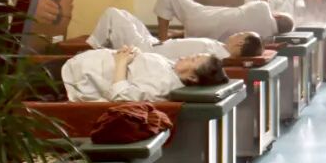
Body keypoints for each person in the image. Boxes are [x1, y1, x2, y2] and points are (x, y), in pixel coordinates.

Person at [61, 45, 229, 102]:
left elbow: (120, 95)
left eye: (192, 60)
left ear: (192, 77)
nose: (186, 56)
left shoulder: (163, 85)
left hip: (72, 79)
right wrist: (134, 52)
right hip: (77, 65)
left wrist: (121, 62)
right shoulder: (172, 68)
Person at [88, 7, 263, 59]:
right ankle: (99, 49)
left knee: (113, 14)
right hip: (153, 43)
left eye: (241, 33)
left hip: (146, 52)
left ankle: (92, 50)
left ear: (240, 43)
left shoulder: (215, 56)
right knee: (125, 15)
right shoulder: (220, 48)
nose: (237, 33)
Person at [154, 0, 293, 43]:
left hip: (201, 17)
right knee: (225, 26)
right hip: (205, 40)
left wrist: (265, 1)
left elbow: (259, 6)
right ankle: (174, 35)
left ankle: (162, 41)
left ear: (278, 16)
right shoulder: (266, 39)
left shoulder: (263, 7)